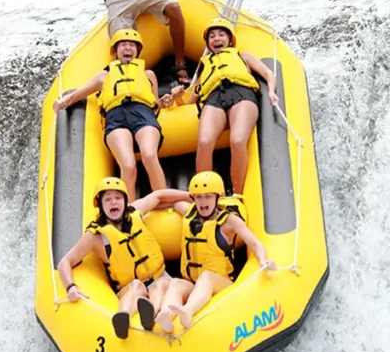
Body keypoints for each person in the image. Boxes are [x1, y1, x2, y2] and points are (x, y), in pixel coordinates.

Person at [57, 177, 190, 339]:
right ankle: (123, 317)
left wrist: (190, 196)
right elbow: (65, 262)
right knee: (136, 286)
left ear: (125, 201)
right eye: (108, 199)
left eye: (118, 198)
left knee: (160, 284)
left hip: (160, 276)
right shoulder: (95, 236)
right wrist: (71, 287)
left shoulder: (134, 211)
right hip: (128, 287)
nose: (114, 203)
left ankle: (151, 314)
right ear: (100, 205)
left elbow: (159, 196)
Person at [151, 171, 275, 333]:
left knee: (206, 276)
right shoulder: (188, 212)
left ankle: (188, 310)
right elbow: (167, 201)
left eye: (208, 196)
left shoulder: (229, 221)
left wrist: (263, 261)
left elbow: (254, 243)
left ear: (218, 197)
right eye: (199, 197)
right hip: (194, 285)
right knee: (175, 283)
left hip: (221, 284)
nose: (203, 202)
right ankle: (166, 316)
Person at [53, 29, 173, 194]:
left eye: (131, 45)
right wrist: (62, 102)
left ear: (138, 51)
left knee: (149, 155)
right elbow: (78, 93)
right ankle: (129, 211)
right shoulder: (104, 76)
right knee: (128, 165)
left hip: (143, 114)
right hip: (116, 117)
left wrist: (165, 101)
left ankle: (164, 199)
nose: (127, 48)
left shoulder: (148, 74)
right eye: (123, 45)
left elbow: (155, 104)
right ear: (115, 51)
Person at [171, 17, 280, 196]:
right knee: (205, 142)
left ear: (230, 40)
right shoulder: (204, 68)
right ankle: (204, 194)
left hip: (241, 94)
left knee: (237, 141)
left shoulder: (242, 56)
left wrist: (271, 91)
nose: (216, 39)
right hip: (214, 99)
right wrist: (177, 97)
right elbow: (187, 102)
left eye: (221, 35)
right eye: (212, 36)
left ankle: (237, 195)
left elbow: (268, 73)